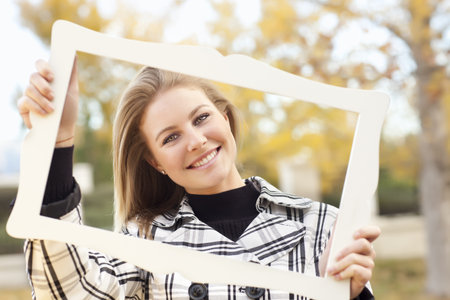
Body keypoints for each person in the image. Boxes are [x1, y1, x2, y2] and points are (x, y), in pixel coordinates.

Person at [18, 58, 380, 300]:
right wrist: (58, 140)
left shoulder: (320, 224)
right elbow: (69, 290)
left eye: (201, 118)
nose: (195, 141)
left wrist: (350, 295)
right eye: (170, 137)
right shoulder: (145, 239)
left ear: (225, 117)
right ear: (154, 161)